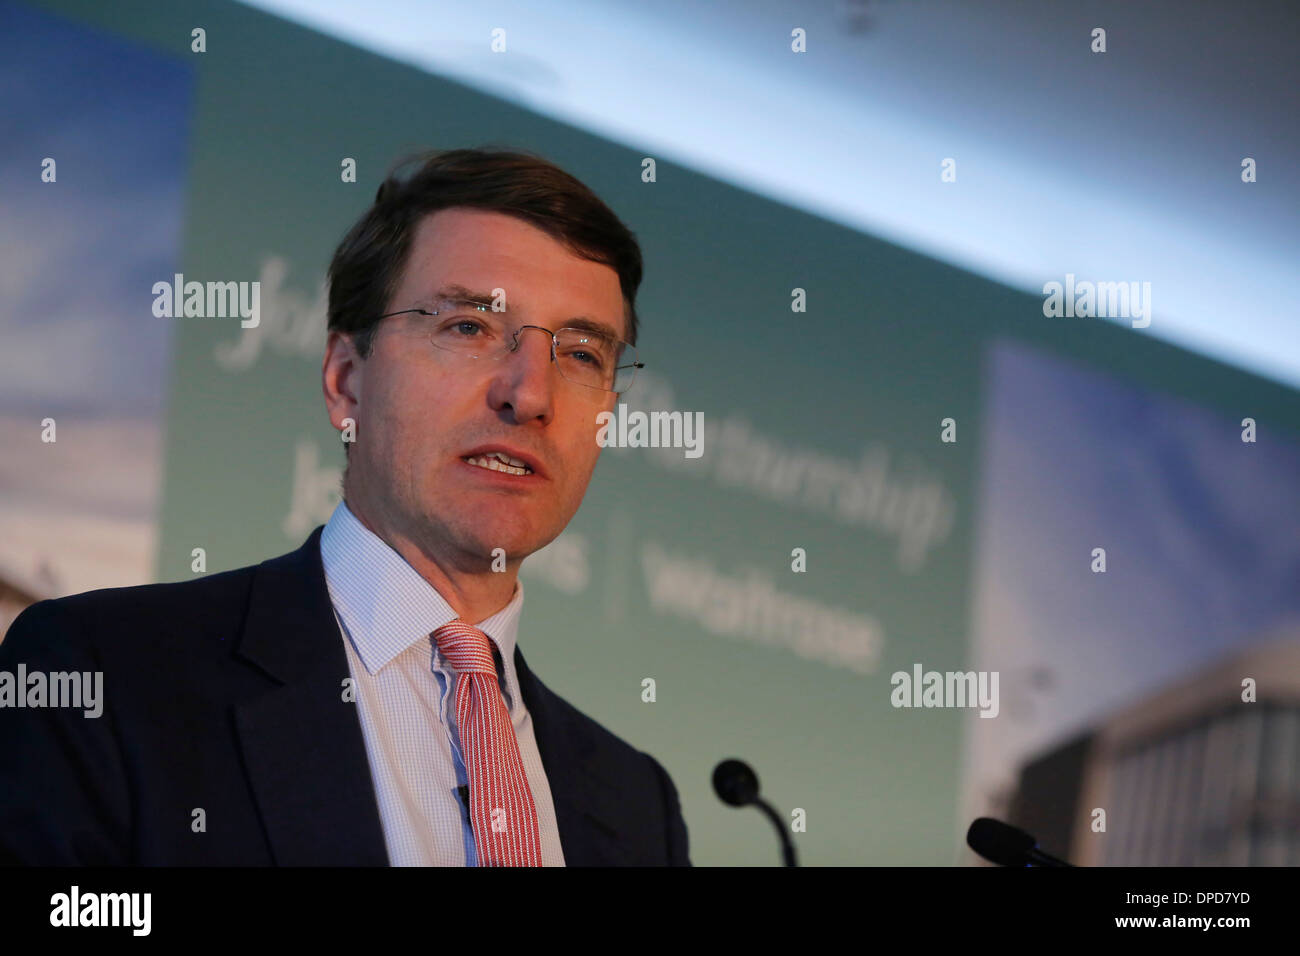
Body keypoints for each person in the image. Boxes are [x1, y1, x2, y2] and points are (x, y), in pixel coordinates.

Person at [0, 147, 690, 866]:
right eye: (469, 328)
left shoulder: (638, 811)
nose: (531, 394)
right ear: (345, 381)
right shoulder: (111, 677)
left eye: (581, 354)